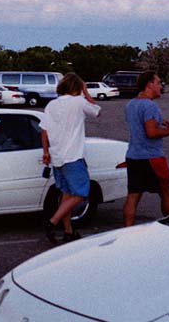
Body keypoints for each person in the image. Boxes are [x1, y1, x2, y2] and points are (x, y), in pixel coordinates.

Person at [40, 73, 101, 244]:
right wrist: (87, 92)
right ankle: (52, 222)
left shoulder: (51, 105)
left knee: (66, 195)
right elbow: (97, 112)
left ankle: (69, 231)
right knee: (82, 193)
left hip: (57, 157)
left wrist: (46, 152)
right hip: (73, 156)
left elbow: (44, 130)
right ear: (77, 87)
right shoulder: (79, 102)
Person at [123, 70, 169, 227]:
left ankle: (127, 229)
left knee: (133, 195)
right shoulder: (150, 106)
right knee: (165, 192)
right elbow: (151, 133)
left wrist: (159, 121)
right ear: (149, 84)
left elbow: (140, 124)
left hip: (133, 156)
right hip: (152, 157)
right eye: (158, 83)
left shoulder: (131, 104)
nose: (160, 86)